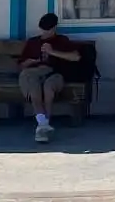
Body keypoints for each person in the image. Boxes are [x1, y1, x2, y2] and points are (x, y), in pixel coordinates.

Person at [18, 13, 80, 143]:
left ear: (54, 28)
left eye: (48, 30)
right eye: (43, 30)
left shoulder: (61, 40)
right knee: (31, 83)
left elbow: (75, 57)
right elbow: (22, 65)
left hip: (56, 74)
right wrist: (32, 60)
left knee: (48, 86)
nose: (45, 33)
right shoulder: (33, 42)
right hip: (34, 72)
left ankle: (43, 123)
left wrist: (52, 52)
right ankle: (43, 124)